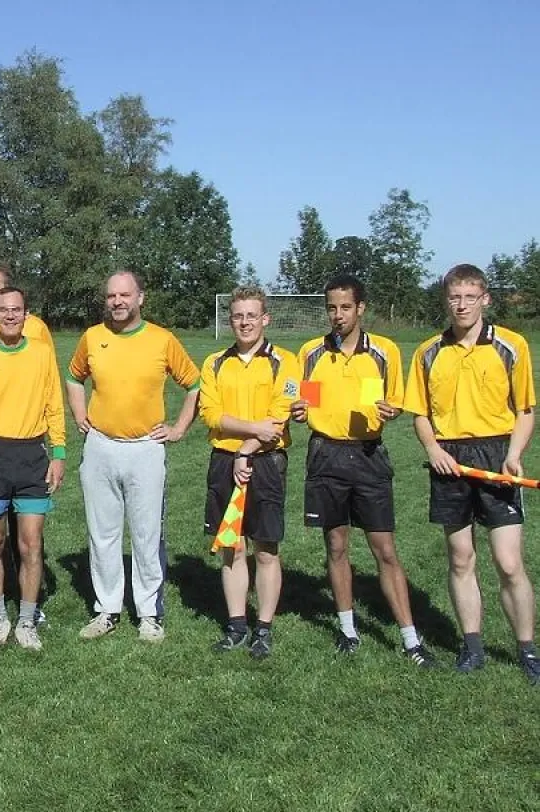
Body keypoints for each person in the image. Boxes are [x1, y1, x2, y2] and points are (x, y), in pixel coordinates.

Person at [403, 263, 539, 683]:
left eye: (469, 297)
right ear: (446, 300)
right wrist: (433, 449)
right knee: (461, 559)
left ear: (485, 299)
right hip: (450, 460)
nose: (461, 305)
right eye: (454, 297)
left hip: (498, 454)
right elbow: (421, 414)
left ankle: (527, 649)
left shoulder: (511, 346)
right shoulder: (428, 352)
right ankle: (472, 646)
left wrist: (514, 454)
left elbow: (525, 411)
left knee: (509, 562)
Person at [290, 275, 435, 666]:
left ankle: (410, 639)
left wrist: (392, 410)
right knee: (336, 546)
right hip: (325, 456)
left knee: (384, 550)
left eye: (345, 308)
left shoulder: (384, 351)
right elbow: (306, 407)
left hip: (368, 457)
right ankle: (348, 630)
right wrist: (301, 411)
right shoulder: (312, 353)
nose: (338, 315)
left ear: (361, 309)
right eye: (332, 308)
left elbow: (394, 402)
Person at [66, 272, 200, 642]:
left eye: (125, 294)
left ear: (141, 297)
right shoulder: (93, 337)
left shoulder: (162, 339)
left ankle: (148, 613)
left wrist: (178, 429)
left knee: (146, 534)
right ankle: (106, 609)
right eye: (111, 295)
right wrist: (80, 415)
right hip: (101, 447)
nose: (117, 301)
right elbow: (74, 377)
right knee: (102, 533)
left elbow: (194, 384)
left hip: (145, 448)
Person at [0, 286, 65, 650]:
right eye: (2, 309)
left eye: (16, 309)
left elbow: (54, 404)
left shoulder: (41, 352)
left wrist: (59, 453)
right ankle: (0, 616)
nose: (9, 315)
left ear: (26, 313)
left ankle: (27, 620)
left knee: (31, 543)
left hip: (32, 455)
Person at [198, 286, 301, 660]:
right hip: (223, 461)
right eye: (238, 316)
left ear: (265, 319)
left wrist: (249, 446)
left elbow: (280, 414)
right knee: (232, 546)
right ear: (231, 320)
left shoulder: (286, 362)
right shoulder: (213, 363)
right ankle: (237, 625)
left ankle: (264, 628)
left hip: (267, 462)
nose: (245, 323)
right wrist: (252, 432)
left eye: (251, 316)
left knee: (266, 549)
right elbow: (211, 414)